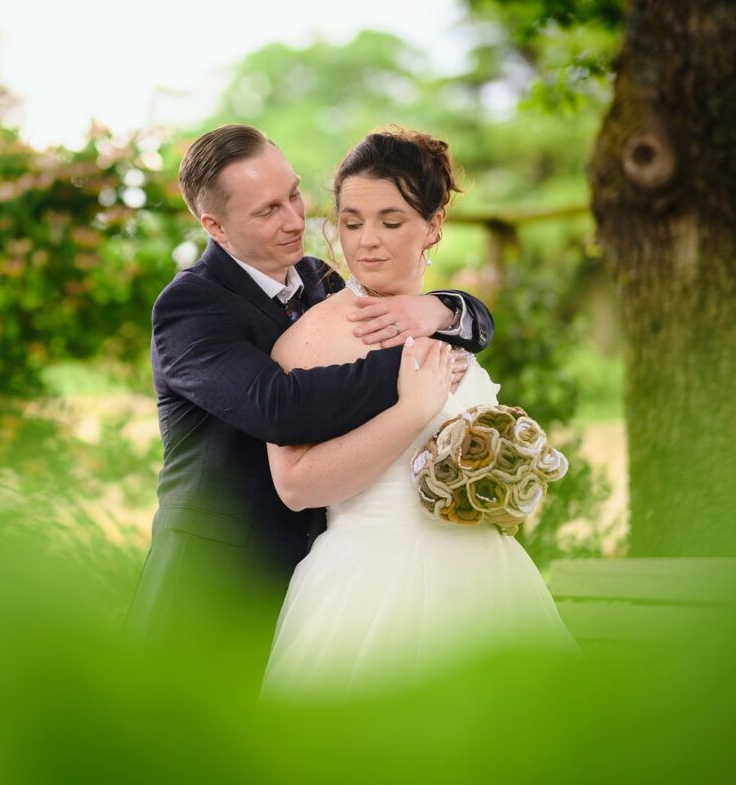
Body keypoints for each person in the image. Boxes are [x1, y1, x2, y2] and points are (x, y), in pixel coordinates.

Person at [122, 124, 495, 685]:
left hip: (322, 573)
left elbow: (402, 308)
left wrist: (445, 311)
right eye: (267, 210)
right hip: (215, 584)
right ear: (214, 226)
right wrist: (415, 367)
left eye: (294, 194)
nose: (295, 220)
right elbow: (279, 405)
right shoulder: (191, 307)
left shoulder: (318, 280)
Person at [261, 130, 579, 699]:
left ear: (433, 226)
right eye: (352, 221)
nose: (367, 242)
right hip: (371, 586)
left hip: (489, 582)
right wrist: (414, 411)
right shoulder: (316, 336)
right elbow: (294, 485)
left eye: (391, 220)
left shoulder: (446, 322)